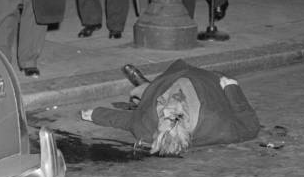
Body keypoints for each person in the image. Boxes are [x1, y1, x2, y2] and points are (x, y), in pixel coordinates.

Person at [80, 59, 260, 156]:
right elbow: (250, 125)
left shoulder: (147, 125)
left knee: (150, 96)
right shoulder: (218, 125)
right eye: (172, 116)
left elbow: (129, 121)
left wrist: (97, 114)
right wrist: (231, 88)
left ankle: (144, 87)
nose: (168, 112)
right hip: (207, 82)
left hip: (165, 84)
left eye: (164, 115)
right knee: (154, 93)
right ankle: (144, 88)